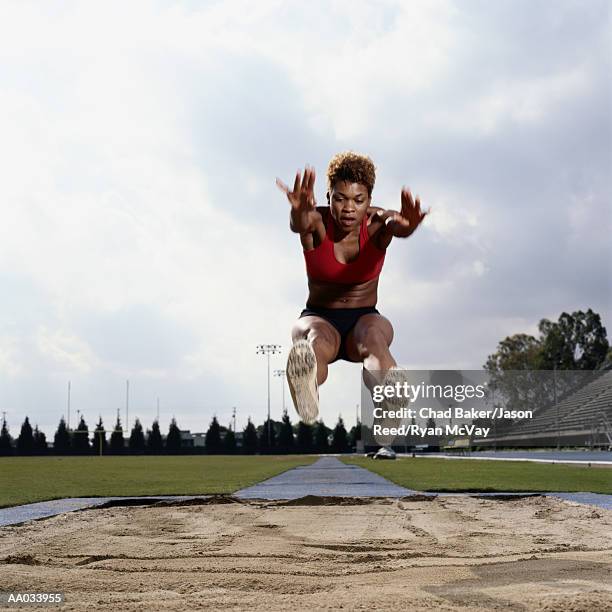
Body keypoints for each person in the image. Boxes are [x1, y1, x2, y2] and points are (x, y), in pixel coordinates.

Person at [275, 151, 428, 429]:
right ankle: (306, 386)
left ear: (369, 200)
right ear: (328, 197)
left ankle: (389, 398)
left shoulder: (379, 223)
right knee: (315, 341)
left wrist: (408, 227)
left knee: (374, 339)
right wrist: (297, 212)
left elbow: (398, 225)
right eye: (340, 198)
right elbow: (300, 223)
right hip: (320, 316)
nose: (348, 208)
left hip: (364, 317)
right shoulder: (316, 222)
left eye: (358, 200)